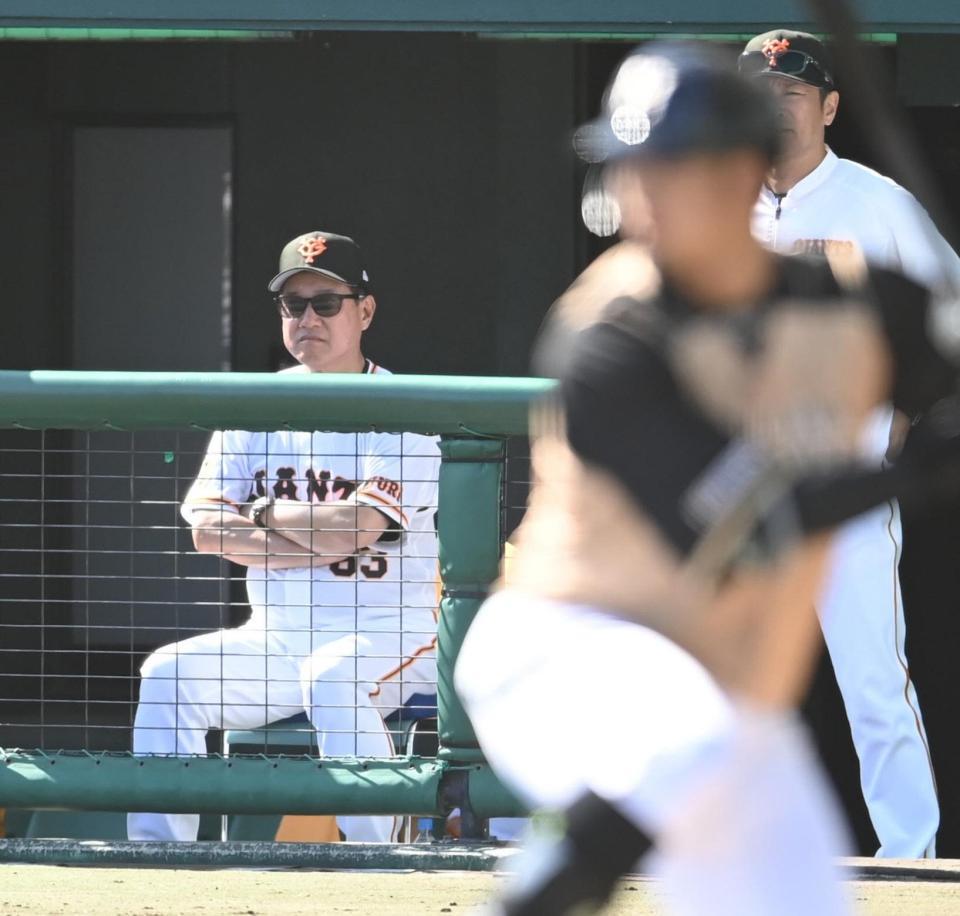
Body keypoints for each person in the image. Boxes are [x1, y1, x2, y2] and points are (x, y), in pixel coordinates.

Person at [456, 43, 960, 916]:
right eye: (630, 169)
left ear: (739, 172)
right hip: (573, 643)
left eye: (667, 168)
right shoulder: (608, 333)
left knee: (795, 894)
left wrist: (935, 348)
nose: (639, 196)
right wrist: (912, 471)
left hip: (727, 687)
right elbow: (733, 522)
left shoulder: (838, 291)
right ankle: (557, 880)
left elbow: (928, 356)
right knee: (683, 741)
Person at [128, 231, 441, 843]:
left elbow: (359, 528)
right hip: (276, 638)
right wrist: (320, 537)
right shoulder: (258, 404)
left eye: (326, 303)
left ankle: (386, 864)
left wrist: (266, 514)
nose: (307, 318)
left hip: (393, 630)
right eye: (293, 305)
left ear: (365, 311)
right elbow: (206, 528)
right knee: (168, 672)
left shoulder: (403, 407)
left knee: (333, 675)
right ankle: (157, 862)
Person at [739, 29, 960, 858]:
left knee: (871, 679)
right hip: (737, 485)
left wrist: (903, 420)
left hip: (846, 478)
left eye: (792, 93)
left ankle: (910, 856)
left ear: (829, 106)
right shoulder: (715, 204)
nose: (775, 107)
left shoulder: (876, 201)